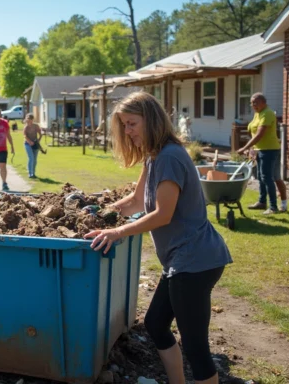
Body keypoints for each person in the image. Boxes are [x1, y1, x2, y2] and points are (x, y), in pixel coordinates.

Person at [84, 92, 232, 384]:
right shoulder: (153, 157)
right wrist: (101, 214)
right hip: (182, 260)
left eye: (131, 123)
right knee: (155, 324)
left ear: (150, 120)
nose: (127, 131)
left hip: (195, 260)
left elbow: (163, 214)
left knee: (196, 347)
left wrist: (118, 232)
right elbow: (137, 202)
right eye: (124, 125)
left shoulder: (170, 158)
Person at [238, 93, 286, 214]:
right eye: (252, 103)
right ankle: (262, 202)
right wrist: (252, 148)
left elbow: (259, 134)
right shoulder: (257, 113)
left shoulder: (267, 113)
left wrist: (245, 147)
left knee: (267, 177)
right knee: (260, 177)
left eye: (256, 102)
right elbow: (252, 130)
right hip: (260, 150)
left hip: (269, 150)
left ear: (263, 102)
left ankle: (273, 207)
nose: (253, 105)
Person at [23, 113, 43, 178]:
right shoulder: (26, 127)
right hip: (27, 144)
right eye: (28, 120)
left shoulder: (35, 126)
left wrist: (38, 140)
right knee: (31, 158)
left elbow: (40, 134)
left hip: (35, 144)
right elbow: (25, 136)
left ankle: (33, 173)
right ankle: (30, 173)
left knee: (35, 159)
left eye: (30, 120)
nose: (29, 121)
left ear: (32, 120)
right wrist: (29, 142)